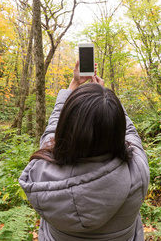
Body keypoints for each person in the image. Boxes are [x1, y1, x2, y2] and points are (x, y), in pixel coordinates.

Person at [19, 61, 150, 241]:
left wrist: (74, 85)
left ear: (65, 128)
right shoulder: (137, 170)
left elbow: (52, 129)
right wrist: (106, 103)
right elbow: (130, 131)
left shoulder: (41, 171)